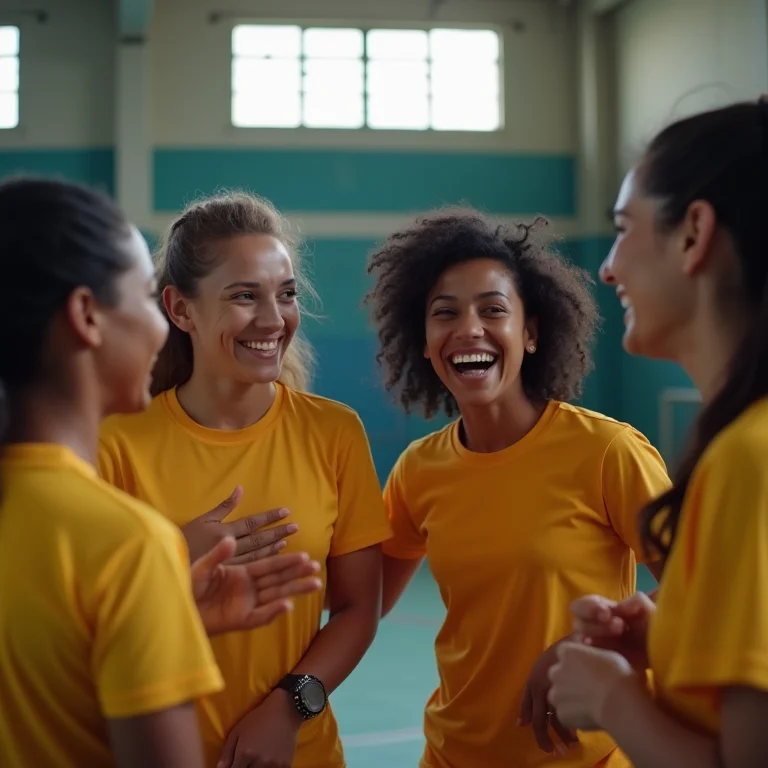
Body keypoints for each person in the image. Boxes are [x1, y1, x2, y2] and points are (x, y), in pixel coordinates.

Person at [0, 177, 323, 768]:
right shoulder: (129, 543)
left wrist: (167, 618)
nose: (157, 326)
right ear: (87, 316)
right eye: (144, 299)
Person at [363, 208, 671, 768]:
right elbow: (361, 602)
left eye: (493, 310)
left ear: (530, 333)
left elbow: (706, 588)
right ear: (425, 341)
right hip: (451, 756)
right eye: (445, 313)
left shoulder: (607, 452)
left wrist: (594, 643)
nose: (468, 329)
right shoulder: (418, 470)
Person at [98, 191, 392, 768]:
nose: (273, 319)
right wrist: (167, 560)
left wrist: (289, 709)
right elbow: (80, 630)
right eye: (243, 296)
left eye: (286, 294)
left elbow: (358, 609)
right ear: (181, 310)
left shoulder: (333, 433)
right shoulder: (117, 442)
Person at [547, 99, 768, 767]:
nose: (608, 267)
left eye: (623, 229)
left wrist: (613, 699)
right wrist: (674, 637)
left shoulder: (749, 459)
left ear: (693, 234)